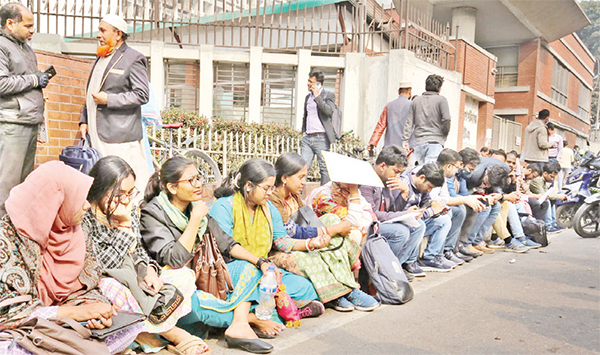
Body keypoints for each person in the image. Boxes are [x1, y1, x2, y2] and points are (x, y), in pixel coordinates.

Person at [141, 157, 311, 354]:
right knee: (194, 306)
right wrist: (195, 220)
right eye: (192, 180)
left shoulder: (195, 207)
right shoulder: (153, 213)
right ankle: (248, 318)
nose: (199, 185)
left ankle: (239, 325)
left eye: (199, 178)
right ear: (172, 188)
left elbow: (227, 243)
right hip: (179, 286)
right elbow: (174, 259)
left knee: (250, 267)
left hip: (205, 277)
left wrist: (261, 262)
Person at [0, 161, 141, 354]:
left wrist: (93, 310)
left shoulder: (76, 230)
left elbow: (88, 286)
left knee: (124, 310)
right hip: (26, 329)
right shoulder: (8, 238)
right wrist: (72, 313)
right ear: (53, 201)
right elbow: (7, 314)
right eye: (78, 198)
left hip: (64, 325)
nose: (85, 205)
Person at [82, 156, 209, 355]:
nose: (125, 200)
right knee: (113, 289)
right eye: (119, 194)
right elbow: (103, 264)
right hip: (107, 282)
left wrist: (150, 270)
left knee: (182, 276)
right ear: (99, 189)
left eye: (130, 193)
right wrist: (124, 227)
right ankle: (167, 333)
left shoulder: (130, 210)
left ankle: (145, 333)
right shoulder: (86, 217)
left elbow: (140, 251)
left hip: (136, 278)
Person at [270, 153, 378, 312]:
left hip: (304, 237)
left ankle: (349, 289)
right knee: (310, 254)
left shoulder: (294, 195)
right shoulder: (273, 199)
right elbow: (292, 233)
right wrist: (327, 232)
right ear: (285, 178)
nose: (304, 182)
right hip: (282, 247)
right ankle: (336, 295)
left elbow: (308, 221)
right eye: (301, 178)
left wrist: (329, 231)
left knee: (334, 228)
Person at [78, 13, 150, 193]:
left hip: (119, 136)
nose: (98, 35)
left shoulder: (133, 58)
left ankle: (133, 215)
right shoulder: (101, 57)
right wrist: (84, 120)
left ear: (118, 34)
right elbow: (91, 92)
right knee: (106, 181)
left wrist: (109, 99)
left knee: (126, 182)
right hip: (96, 133)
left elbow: (141, 95)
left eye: (103, 30)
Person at [0, 3, 51, 216]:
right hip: (12, 125)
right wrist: (34, 79)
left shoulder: (25, 48)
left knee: (22, 187)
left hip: (27, 122)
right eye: (28, 25)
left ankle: (15, 234)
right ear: (10, 24)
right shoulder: (2, 46)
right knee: (7, 187)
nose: (32, 30)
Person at [359, 146, 426, 278]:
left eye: (400, 173)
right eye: (396, 171)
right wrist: (404, 214)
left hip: (381, 222)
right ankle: (383, 272)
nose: (398, 176)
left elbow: (392, 210)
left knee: (419, 226)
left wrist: (404, 193)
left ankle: (396, 267)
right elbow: (372, 214)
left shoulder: (386, 180)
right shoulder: (367, 180)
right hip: (368, 224)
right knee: (400, 232)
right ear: (383, 165)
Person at [431, 149, 487, 264]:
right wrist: (466, 199)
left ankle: (451, 249)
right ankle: (437, 254)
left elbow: (458, 194)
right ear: (448, 166)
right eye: (457, 167)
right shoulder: (435, 173)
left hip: (439, 204)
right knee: (454, 210)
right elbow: (440, 198)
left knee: (463, 208)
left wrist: (471, 198)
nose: (458, 170)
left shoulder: (449, 176)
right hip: (426, 209)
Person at [402, 74, 451, 165]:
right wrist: (444, 134)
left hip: (418, 142)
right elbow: (447, 119)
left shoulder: (416, 101)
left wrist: (405, 140)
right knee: (430, 173)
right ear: (439, 88)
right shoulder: (442, 100)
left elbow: (409, 122)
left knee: (417, 172)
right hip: (435, 142)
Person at [301, 69, 336, 185]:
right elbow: (305, 116)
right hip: (307, 138)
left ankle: (324, 196)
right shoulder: (307, 97)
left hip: (321, 138)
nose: (308, 84)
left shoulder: (328, 95)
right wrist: (304, 131)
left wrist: (317, 97)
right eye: (308, 81)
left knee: (324, 169)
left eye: (311, 82)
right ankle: (298, 197)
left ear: (318, 84)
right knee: (302, 168)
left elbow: (329, 111)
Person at [368, 81, 412, 154]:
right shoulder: (412, 106)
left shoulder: (389, 106)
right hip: (406, 149)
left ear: (398, 91)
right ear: (409, 92)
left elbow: (380, 126)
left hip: (389, 148)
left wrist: (373, 143)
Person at [529, 162, 568, 232]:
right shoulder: (537, 180)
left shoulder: (543, 180)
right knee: (547, 201)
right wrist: (559, 196)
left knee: (553, 200)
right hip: (534, 198)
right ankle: (548, 225)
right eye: (551, 176)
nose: (552, 179)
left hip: (537, 197)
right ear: (545, 173)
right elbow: (544, 195)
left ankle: (553, 223)